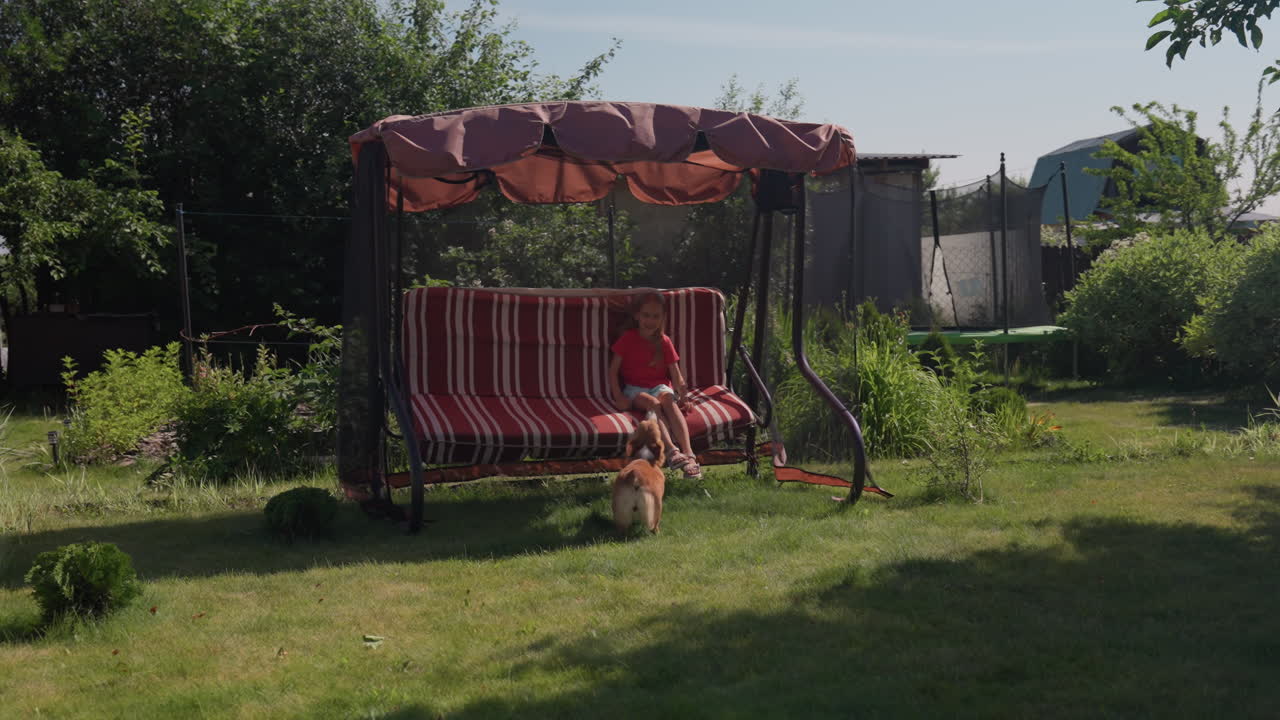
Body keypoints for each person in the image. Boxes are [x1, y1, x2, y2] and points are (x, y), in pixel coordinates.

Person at [609, 293, 702, 478]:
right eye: (646, 315)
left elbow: (676, 374)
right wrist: (619, 396)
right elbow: (613, 371)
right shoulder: (628, 338)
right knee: (653, 403)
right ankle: (671, 451)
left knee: (669, 400)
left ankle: (689, 454)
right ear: (637, 316)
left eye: (655, 316)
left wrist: (684, 397)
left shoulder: (664, 341)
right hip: (634, 389)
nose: (650, 321)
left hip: (660, 386)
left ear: (662, 318)